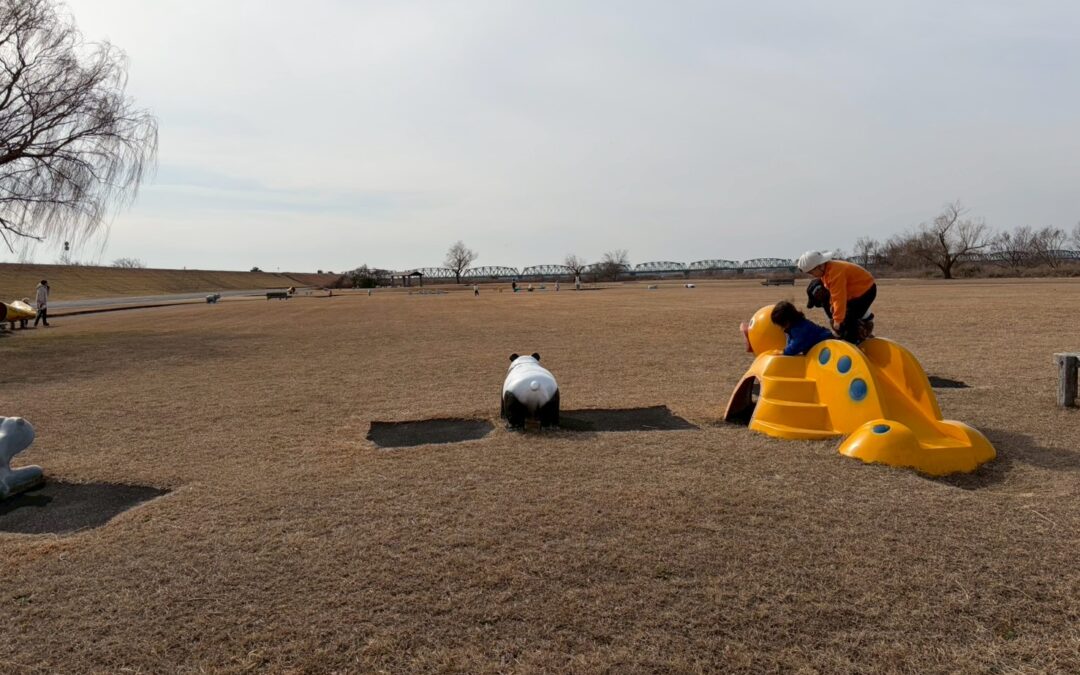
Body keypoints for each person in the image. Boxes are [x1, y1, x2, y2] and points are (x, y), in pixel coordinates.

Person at [797, 251, 875, 343]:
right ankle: (859, 334)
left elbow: (839, 297)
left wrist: (838, 320)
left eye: (811, 272)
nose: (812, 275)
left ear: (819, 266)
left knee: (848, 318)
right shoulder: (826, 272)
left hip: (866, 290)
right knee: (842, 316)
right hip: (854, 291)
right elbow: (833, 293)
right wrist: (833, 307)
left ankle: (852, 342)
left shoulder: (835, 273)